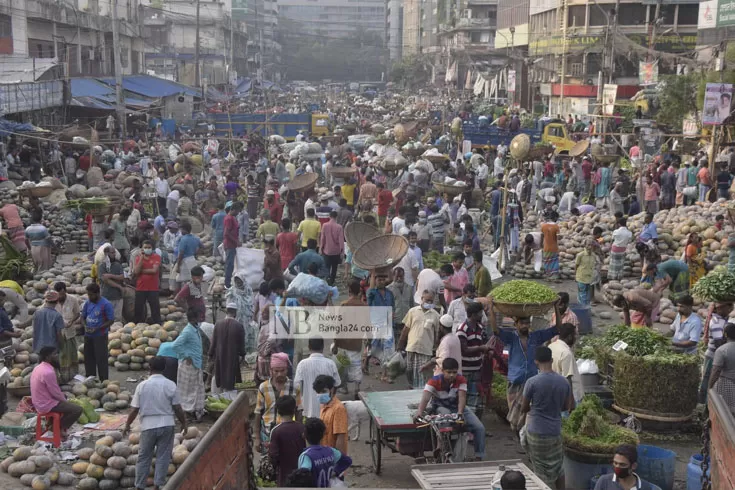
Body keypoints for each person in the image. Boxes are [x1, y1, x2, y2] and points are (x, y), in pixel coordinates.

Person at [490, 301, 561, 432]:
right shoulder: (511, 337)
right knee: (514, 417)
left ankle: (526, 439)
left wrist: (556, 308)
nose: (525, 326)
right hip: (515, 381)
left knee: (528, 415)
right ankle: (520, 438)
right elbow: (495, 330)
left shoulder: (536, 337)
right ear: (516, 325)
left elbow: (557, 329)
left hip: (531, 381)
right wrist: (491, 309)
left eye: (527, 323)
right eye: (522, 323)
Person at [123, 356, 188, 490]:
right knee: (163, 456)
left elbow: (134, 409)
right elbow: (177, 408)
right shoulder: (170, 384)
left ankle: (140, 486)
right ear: (164, 368)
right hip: (167, 424)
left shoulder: (142, 386)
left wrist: (127, 425)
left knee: (143, 457)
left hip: (148, 426)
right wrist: (184, 423)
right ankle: (158, 485)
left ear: (149, 368)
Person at [415, 357, 486, 461]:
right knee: (445, 418)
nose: (452, 375)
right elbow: (425, 398)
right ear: (443, 371)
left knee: (479, 428)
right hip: (440, 407)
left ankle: (479, 456)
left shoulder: (461, 379)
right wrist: (419, 412)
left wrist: (460, 413)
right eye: (449, 372)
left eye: (454, 372)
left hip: (457, 407)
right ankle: (441, 448)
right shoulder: (433, 382)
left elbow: (462, 397)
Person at [521, 346, 572, 490]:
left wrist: (535, 408)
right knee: (558, 468)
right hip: (555, 431)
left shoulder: (532, 382)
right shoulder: (563, 382)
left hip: (536, 431)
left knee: (541, 471)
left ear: (536, 361)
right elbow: (565, 407)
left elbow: (524, 408)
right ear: (552, 360)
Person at [30, 347, 83, 436]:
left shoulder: (38, 367)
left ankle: (53, 425)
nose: (57, 356)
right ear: (47, 357)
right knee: (77, 409)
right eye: (54, 354)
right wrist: (65, 401)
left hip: (38, 402)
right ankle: (58, 428)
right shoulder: (48, 372)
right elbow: (55, 392)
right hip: (46, 404)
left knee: (65, 398)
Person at [255, 353, 302, 453]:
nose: (279, 374)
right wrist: (257, 438)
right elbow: (258, 412)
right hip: (267, 433)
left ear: (287, 370)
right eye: (276, 371)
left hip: (288, 433)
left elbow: (298, 411)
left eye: (282, 370)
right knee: (268, 464)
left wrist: (300, 433)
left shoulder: (294, 387)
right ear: (271, 371)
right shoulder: (263, 387)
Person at [399, 290, 442, 389]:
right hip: (411, 347)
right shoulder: (412, 311)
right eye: (427, 300)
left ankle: (420, 393)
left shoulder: (436, 315)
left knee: (422, 374)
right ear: (422, 299)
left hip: (425, 349)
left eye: (431, 301)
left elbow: (437, 333)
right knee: (409, 371)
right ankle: (411, 389)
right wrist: (400, 345)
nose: (429, 303)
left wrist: (436, 349)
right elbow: (406, 329)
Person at [170, 309, 206, 421]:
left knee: (196, 388)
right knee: (188, 391)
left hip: (196, 363)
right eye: (198, 317)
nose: (200, 319)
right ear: (193, 319)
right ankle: (187, 412)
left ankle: (195, 410)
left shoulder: (195, 329)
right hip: (189, 365)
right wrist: (186, 355)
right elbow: (175, 345)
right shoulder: (187, 331)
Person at [456, 302, 490, 417]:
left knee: (476, 398)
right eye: (480, 313)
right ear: (473, 315)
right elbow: (463, 350)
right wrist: (481, 348)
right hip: (465, 369)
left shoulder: (480, 328)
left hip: (477, 368)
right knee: (463, 397)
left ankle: (475, 425)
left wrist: (487, 350)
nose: (482, 315)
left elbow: (484, 342)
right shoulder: (462, 329)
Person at [297, 418, 353, 488]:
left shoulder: (306, 456)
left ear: (304, 435)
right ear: (323, 435)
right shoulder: (331, 451)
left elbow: (302, 476)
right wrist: (336, 472)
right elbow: (347, 460)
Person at [294, 337, 341, 418]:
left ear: (309, 347)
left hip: (308, 410)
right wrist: (331, 397)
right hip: (327, 410)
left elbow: (297, 387)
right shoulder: (330, 363)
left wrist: (299, 406)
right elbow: (337, 383)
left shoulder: (302, 364)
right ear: (323, 347)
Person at [268, 395, 306, 488]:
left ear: (278, 411)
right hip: (302, 473)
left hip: (284, 475)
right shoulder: (302, 428)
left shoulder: (276, 431)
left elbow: (273, 456)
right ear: (294, 410)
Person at [209, 302, 246, 395]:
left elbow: (213, 342)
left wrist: (210, 354)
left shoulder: (218, 324)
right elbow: (242, 346)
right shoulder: (239, 326)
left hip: (220, 356)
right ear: (235, 312)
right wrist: (243, 355)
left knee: (219, 376)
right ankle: (229, 400)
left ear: (227, 311)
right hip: (232, 357)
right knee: (231, 378)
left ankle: (220, 396)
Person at [701, 301, 734, 403]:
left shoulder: (726, 320)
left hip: (724, 355)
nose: (731, 309)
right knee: (709, 381)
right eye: (729, 306)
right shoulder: (716, 322)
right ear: (720, 308)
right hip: (713, 356)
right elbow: (719, 343)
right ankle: (705, 404)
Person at [80, 283, 114, 381]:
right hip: (88, 335)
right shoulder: (88, 303)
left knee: (101, 359)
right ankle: (91, 379)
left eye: (91, 294)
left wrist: (98, 328)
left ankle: (104, 381)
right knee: (89, 358)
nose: (89, 297)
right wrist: (84, 325)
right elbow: (83, 317)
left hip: (100, 335)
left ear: (97, 293)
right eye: (88, 294)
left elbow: (111, 320)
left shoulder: (106, 304)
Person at [549, 323, 584, 407]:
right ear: (569, 337)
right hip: (570, 397)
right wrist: (570, 401)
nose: (576, 338)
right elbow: (567, 379)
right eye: (575, 335)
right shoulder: (566, 353)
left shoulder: (551, 346)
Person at [53, 282, 81, 384]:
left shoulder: (73, 300)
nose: (60, 297)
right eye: (58, 294)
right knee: (61, 356)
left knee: (72, 354)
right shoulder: (52, 301)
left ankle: (73, 375)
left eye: (62, 294)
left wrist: (72, 321)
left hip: (70, 332)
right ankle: (63, 378)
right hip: (58, 334)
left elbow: (77, 313)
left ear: (65, 291)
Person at [313, 375, 348, 454]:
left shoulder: (338, 409)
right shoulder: (323, 405)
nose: (320, 394)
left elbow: (340, 436)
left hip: (333, 455)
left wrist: (339, 459)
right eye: (318, 392)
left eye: (323, 391)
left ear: (332, 390)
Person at [0, 290, 21, 414]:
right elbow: (1, 331)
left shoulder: (2, 310)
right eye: (1, 300)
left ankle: (3, 404)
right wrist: (15, 334)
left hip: (5, 344)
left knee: (5, 375)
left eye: (3, 299)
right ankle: (2, 408)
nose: (3, 302)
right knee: (3, 376)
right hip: (2, 344)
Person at [225, 271, 256, 352]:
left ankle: (245, 351)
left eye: (239, 280)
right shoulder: (232, 291)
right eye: (236, 280)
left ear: (243, 280)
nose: (238, 282)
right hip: (236, 316)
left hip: (246, 317)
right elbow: (229, 304)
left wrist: (252, 313)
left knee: (246, 333)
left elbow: (252, 303)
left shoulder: (248, 289)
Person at [134, 240, 162, 324]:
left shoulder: (156, 257)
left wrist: (141, 271)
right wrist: (142, 258)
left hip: (153, 288)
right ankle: (138, 324)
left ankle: (157, 324)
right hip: (140, 287)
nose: (147, 249)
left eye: (149, 247)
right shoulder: (139, 258)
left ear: (152, 248)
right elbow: (136, 272)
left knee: (155, 309)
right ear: (142, 249)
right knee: (138, 309)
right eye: (145, 247)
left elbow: (154, 270)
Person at [708, 322, 735, 410]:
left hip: (727, 384)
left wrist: (710, 387)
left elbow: (716, 371)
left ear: (725, 334)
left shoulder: (722, 350)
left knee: (725, 411)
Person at [98, 244, 125, 319]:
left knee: (117, 319)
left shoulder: (117, 264)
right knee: (106, 318)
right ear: (106, 254)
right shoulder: (102, 266)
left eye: (114, 253)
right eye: (112, 253)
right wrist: (119, 286)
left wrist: (110, 275)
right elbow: (105, 280)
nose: (114, 254)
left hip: (118, 297)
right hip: (107, 296)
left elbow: (122, 277)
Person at [320, 211, 344, 286]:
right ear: (336, 217)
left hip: (327, 250)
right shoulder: (339, 227)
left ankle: (327, 279)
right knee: (334, 268)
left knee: (327, 266)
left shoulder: (324, 225)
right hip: (336, 251)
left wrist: (321, 248)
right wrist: (342, 252)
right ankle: (332, 281)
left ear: (330, 216)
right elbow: (341, 240)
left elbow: (322, 238)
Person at [575, 239, 597, 306]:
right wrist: (575, 275)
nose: (590, 247)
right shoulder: (580, 255)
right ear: (585, 245)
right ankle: (583, 310)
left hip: (589, 278)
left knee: (587, 296)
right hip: (581, 277)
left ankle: (586, 309)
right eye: (588, 245)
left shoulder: (594, 255)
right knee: (582, 295)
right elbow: (576, 265)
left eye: (591, 245)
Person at [223, 202, 240, 288]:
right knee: (229, 264)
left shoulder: (232, 218)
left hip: (232, 244)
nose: (238, 213)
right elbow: (226, 233)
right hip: (230, 245)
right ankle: (227, 283)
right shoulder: (229, 219)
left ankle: (228, 281)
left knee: (231, 264)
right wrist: (236, 241)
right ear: (233, 210)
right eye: (237, 211)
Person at [541, 212, 560, 281]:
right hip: (554, 247)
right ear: (555, 218)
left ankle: (548, 276)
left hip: (546, 247)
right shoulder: (556, 227)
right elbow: (558, 237)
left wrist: (541, 245)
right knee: (554, 262)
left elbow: (541, 236)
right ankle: (554, 277)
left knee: (547, 262)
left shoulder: (543, 226)